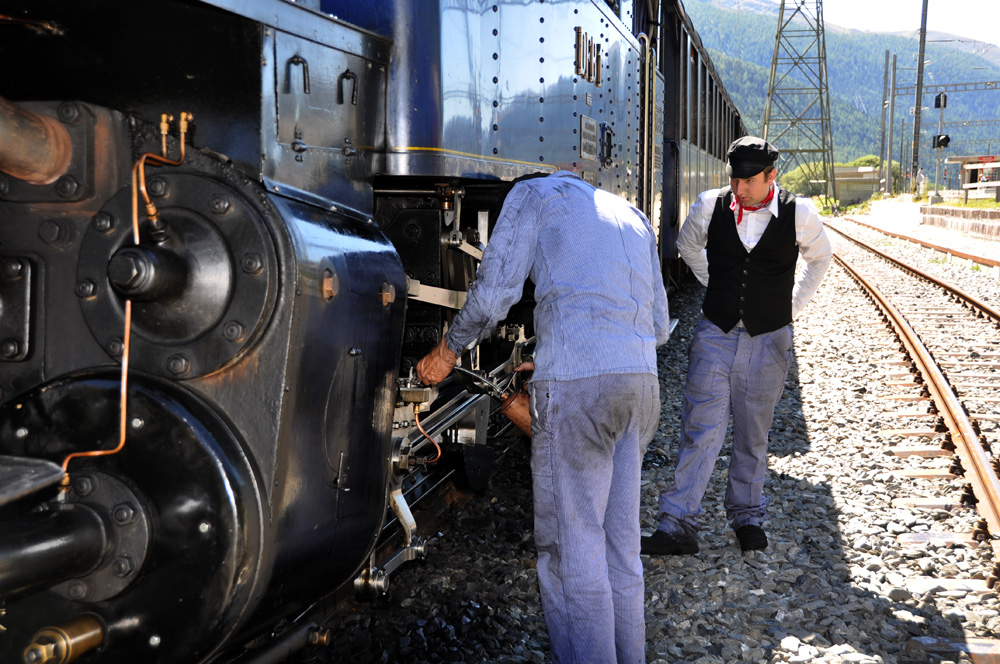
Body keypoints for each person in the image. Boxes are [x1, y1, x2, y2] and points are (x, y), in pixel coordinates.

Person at [417, 170, 669, 663]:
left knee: (573, 550)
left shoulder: (530, 195)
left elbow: (493, 298)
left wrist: (448, 350)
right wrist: (563, 351)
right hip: (641, 386)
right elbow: (658, 326)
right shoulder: (632, 214)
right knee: (621, 549)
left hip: (582, 393)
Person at [641, 136, 831, 556]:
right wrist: (715, 282)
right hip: (716, 332)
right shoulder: (710, 205)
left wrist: (791, 306)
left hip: (769, 338)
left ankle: (747, 516)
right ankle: (676, 525)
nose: (740, 187)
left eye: (749, 180)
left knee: (753, 432)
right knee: (699, 428)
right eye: (735, 178)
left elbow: (822, 258)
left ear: (771, 177)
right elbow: (687, 246)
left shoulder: (799, 213)